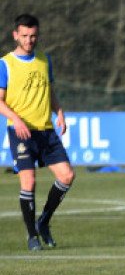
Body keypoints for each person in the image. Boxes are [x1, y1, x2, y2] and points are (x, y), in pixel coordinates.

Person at [0, 14, 75, 251]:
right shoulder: (5, 64)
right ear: (15, 35)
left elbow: (50, 91)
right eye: (24, 36)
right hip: (21, 132)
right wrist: (16, 119)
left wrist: (59, 112)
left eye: (33, 36)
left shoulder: (45, 60)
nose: (29, 40)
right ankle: (32, 236)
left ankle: (43, 222)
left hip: (46, 130)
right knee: (29, 181)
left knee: (67, 176)